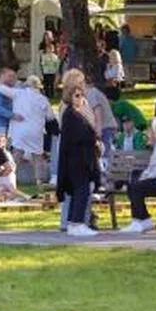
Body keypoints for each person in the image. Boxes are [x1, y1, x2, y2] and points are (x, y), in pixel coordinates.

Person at [55, 71, 101, 236]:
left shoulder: (78, 112)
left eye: (81, 95)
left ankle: (76, 222)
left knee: (82, 191)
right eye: (76, 95)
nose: (80, 98)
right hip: (77, 159)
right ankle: (76, 222)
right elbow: (78, 135)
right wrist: (92, 138)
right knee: (81, 190)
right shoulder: (70, 114)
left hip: (83, 157)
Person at [4, 69, 53, 189]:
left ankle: (10, 177)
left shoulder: (19, 95)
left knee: (17, 153)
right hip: (36, 131)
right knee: (37, 156)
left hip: (20, 130)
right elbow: (50, 116)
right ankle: (39, 181)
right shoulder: (42, 99)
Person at [38, 32, 61, 101]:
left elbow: (57, 56)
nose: (47, 39)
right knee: (46, 81)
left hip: (52, 66)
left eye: (48, 37)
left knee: (52, 81)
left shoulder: (54, 45)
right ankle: (46, 94)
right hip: (45, 65)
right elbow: (40, 54)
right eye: (45, 37)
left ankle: (52, 94)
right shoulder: (42, 45)